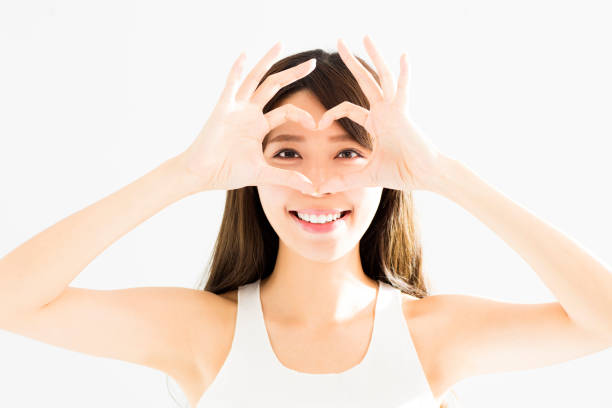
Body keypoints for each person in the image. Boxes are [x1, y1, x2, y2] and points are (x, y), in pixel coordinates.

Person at [1, 35, 611, 408]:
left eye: (348, 151)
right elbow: (11, 301)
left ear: (385, 170)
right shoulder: (203, 332)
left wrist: (444, 174)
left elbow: (602, 323)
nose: (318, 183)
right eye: (287, 151)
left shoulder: (430, 333)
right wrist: (186, 173)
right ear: (252, 171)